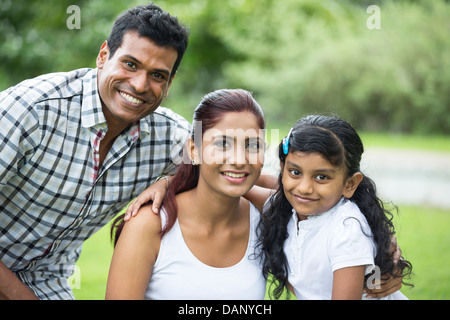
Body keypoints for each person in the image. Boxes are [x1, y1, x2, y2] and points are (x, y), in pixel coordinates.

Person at [0, 3, 190, 299]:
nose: (140, 85)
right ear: (104, 56)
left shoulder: (171, 136)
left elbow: (242, 170)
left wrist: (169, 180)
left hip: (47, 281)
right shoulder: (32, 110)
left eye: (157, 75)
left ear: (169, 83)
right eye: (130, 64)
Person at [106, 89, 268, 299]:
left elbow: (296, 186)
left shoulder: (265, 220)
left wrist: (168, 180)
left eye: (252, 145)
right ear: (193, 150)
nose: (238, 159)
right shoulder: (149, 225)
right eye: (222, 144)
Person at [252, 114, 413, 300]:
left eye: (322, 177)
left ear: (350, 184)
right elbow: (244, 180)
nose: (304, 188)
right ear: (282, 169)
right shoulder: (286, 209)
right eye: (295, 172)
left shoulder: (346, 230)